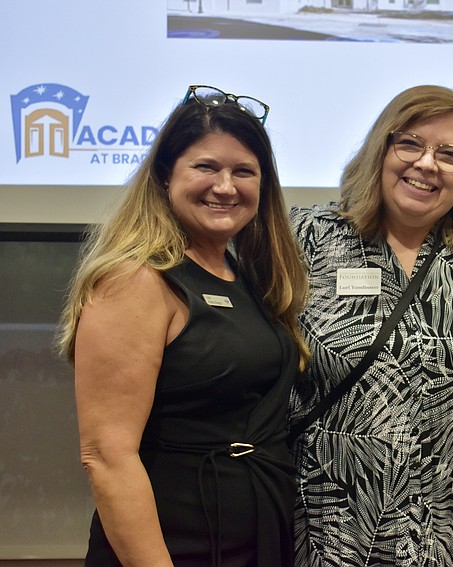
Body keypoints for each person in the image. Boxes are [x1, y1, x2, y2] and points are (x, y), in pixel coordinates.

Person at [289, 84, 453, 565]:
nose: (427, 163)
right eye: (409, 144)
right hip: (337, 532)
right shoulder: (309, 239)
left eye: (449, 154)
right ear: (380, 149)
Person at [58, 85, 308, 566]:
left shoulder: (247, 277)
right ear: (164, 177)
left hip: (255, 540)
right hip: (175, 547)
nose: (226, 186)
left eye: (244, 171)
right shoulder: (134, 279)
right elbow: (107, 458)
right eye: (206, 167)